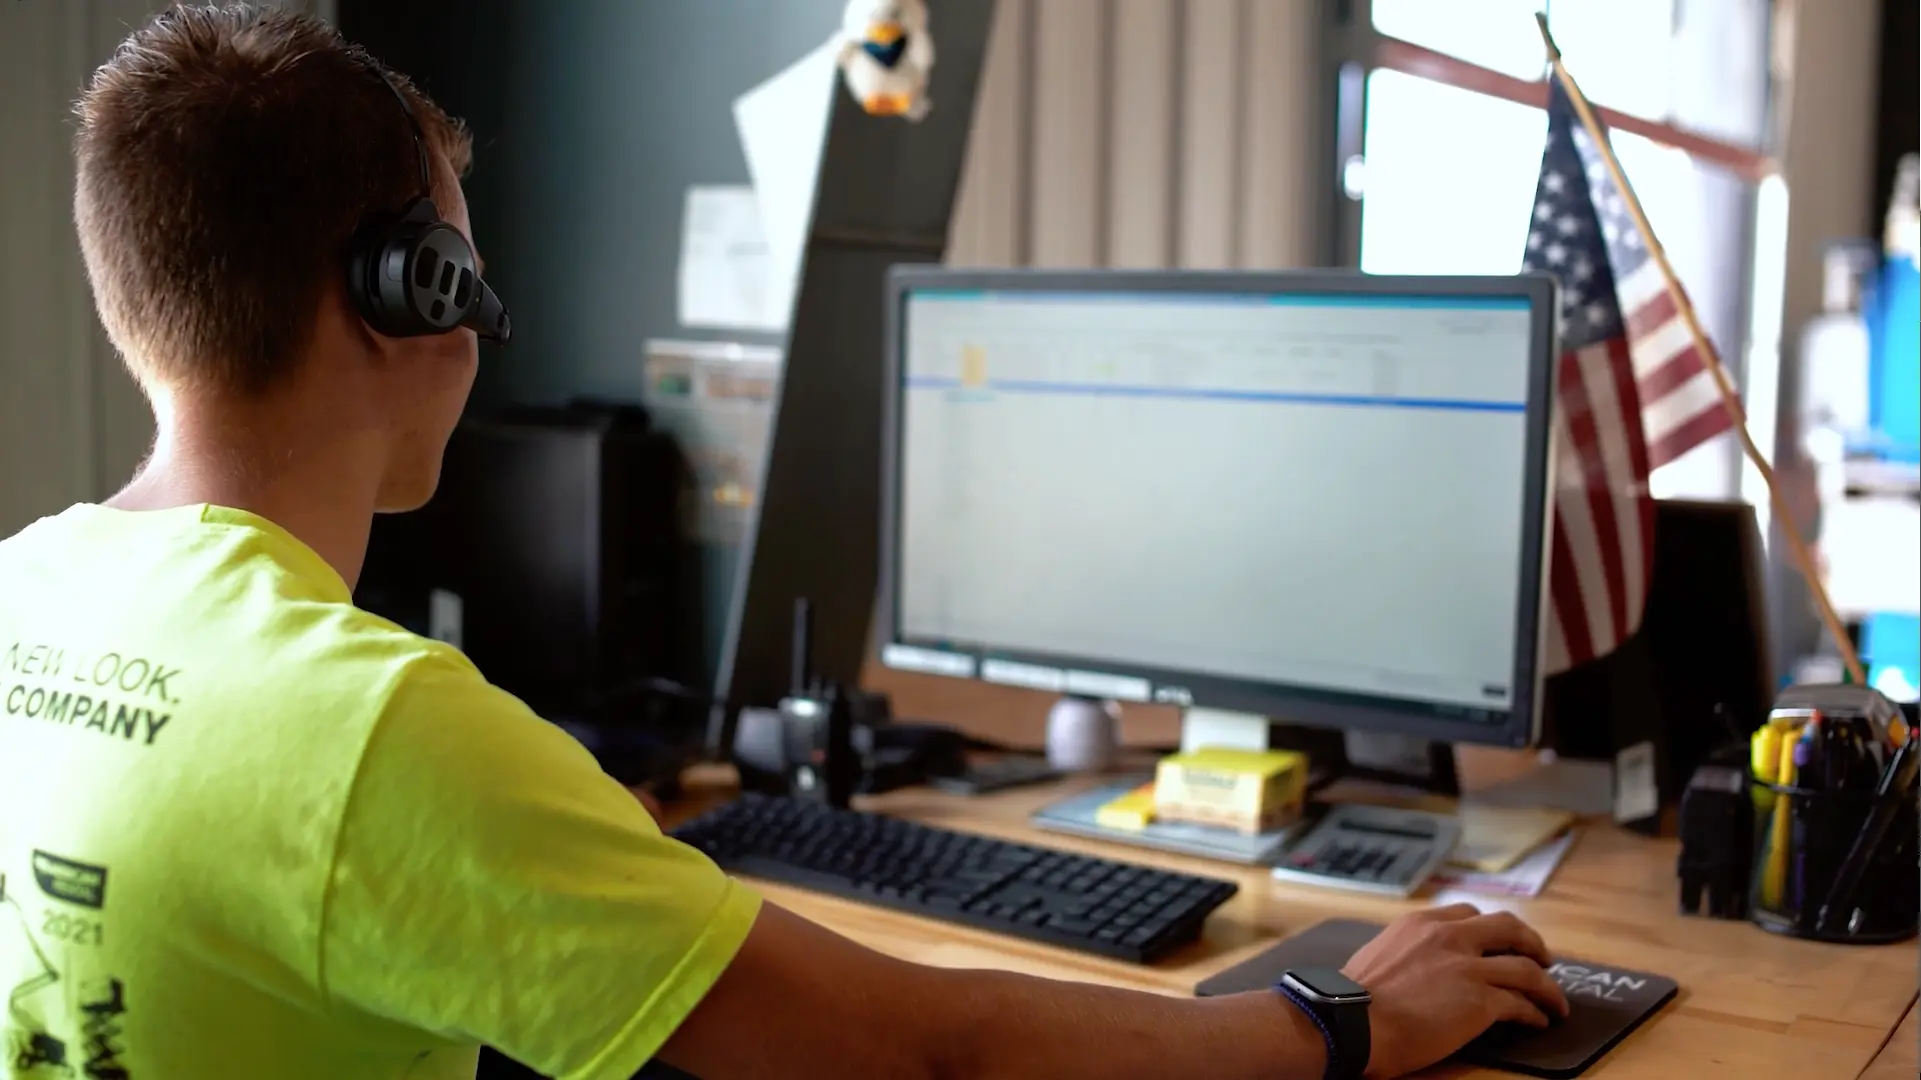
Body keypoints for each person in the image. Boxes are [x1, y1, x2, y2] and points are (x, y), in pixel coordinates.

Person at [0, 6, 1568, 1078]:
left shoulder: (28, 589)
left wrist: (551, 837)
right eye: (464, 272)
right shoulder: (371, 732)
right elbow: (924, 1059)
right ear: (416, 297)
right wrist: (1345, 1022)